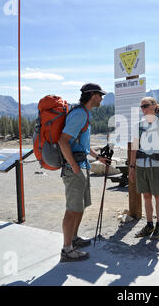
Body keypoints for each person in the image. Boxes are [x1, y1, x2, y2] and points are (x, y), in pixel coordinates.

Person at [58, 83, 110, 262]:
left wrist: (98, 157)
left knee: (80, 206)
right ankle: (66, 250)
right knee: (72, 209)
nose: (102, 99)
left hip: (82, 165)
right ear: (93, 95)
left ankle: (74, 239)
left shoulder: (85, 113)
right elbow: (63, 141)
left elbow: (82, 145)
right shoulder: (79, 114)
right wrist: (73, 166)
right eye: (100, 95)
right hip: (75, 168)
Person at [129, 97, 159, 240]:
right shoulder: (137, 126)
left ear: (154, 106)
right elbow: (134, 148)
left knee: (158, 196)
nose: (143, 109)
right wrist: (132, 167)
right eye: (141, 107)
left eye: (145, 106)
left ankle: (158, 226)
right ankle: (149, 224)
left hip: (157, 166)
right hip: (141, 166)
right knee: (146, 196)